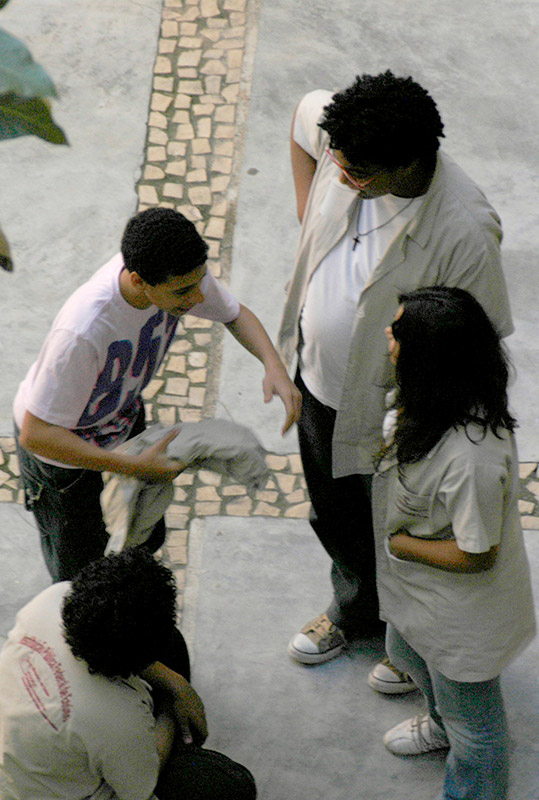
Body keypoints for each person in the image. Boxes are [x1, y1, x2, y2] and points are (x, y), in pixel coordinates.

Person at [279, 70, 513, 690]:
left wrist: (420, 428)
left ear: (405, 163)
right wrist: (310, 215)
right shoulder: (345, 137)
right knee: (334, 515)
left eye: (354, 175)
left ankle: (405, 642)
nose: (341, 178)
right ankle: (353, 612)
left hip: (390, 411)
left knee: (400, 533)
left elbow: (474, 344)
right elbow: (303, 121)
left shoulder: (464, 230)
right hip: (317, 382)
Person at [14, 207, 301, 582]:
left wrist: (273, 364)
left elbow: (234, 313)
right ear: (138, 281)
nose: (197, 297)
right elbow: (37, 434)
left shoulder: (179, 275)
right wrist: (131, 466)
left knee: (139, 539)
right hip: (64, 460)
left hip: (121, 420)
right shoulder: (83, 332)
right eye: (183, 291)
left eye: (200, 282)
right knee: (83, 573)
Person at [372, 287, 535, 800]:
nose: (387, 335)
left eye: (398, 332)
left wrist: (401, 545)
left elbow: (476, 552)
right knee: (406, 651)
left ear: (429, 359)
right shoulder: (431, 402)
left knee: (480, 735)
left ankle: (473, 784)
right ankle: (443, 723)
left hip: (462, 614)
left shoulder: (473, 459)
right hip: (421, 598)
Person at [0, 548, 257, 799]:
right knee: (231, 785)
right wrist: (170, 707)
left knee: (173, 647)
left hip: (19, 758)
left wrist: (177, 684)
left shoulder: (54, 598)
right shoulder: (118, 720)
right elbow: (140, 787)